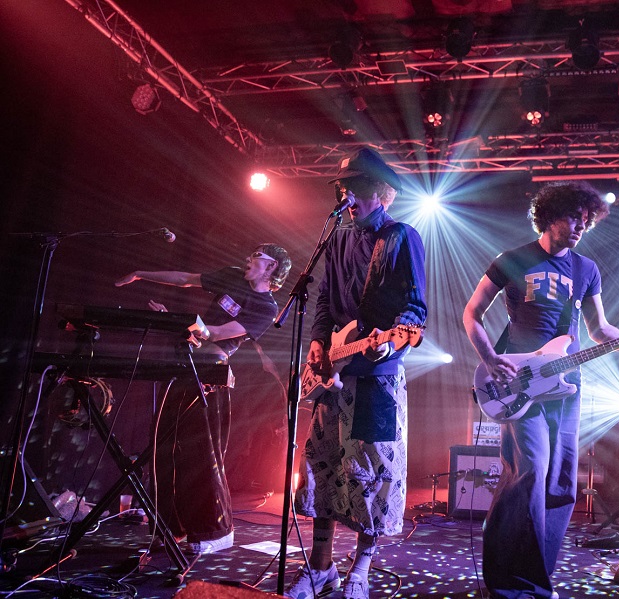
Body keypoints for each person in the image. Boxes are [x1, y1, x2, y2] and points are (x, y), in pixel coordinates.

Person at [462, 181, 619, 599]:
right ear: (549, 216)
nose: (581, 226)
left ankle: (537, 580)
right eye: (574, 217)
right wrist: (489, 358)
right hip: (519, 383)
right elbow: (472, 313)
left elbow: (599, 329)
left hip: (567, 386)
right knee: (530, 472)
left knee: (561, 481)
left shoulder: (586, 269)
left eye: (587, 220)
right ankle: (508, 582)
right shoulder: (512, 260)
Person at [287, 148, 427, 599]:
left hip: (376, 377)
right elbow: (324, 299)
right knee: (322, 468)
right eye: (344, 188)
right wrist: (317, 341)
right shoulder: (338, 239)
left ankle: (361, 570)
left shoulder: (402, 237)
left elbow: (415, 310)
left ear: (380, 193)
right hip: (333, 372)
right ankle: (321, 567)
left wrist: (393, 339)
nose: (348, 197)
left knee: (373, 477)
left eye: (357, 188)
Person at [114, 243, 292, 554]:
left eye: (256, 256)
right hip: (187, 363)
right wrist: (141, 274)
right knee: (166, 446)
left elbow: (219, 333)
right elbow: (185, 278)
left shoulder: (266, 308)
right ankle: (172, 526)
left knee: (199, 453)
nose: (248, 258)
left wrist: (179, 322)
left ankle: (213, 531)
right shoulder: (232, 276)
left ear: (272, 266)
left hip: (211, 373)